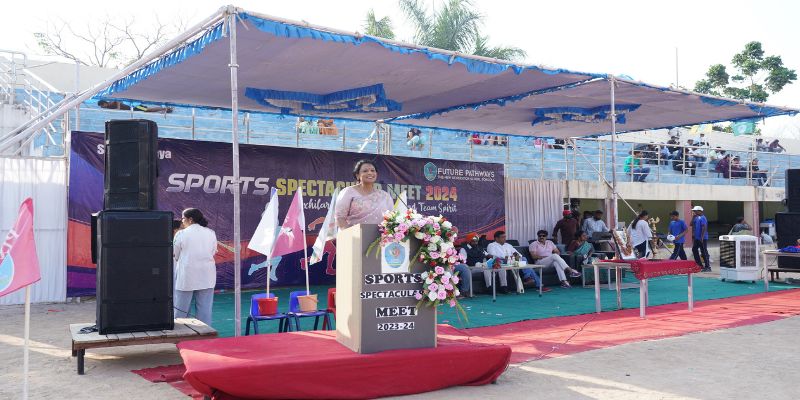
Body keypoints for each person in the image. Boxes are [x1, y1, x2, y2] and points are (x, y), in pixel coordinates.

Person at [173, 208, 218, 326]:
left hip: (187, 275)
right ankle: (205, 332)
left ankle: (180, 332)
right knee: (205, 310)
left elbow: (175, 254)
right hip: (207, 275)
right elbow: (213, 252)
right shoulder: (211, 232)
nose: (182, 221)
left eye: (183, 218)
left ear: (190, 219)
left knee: (181, 309)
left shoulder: (181, 234)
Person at [335, 160, 394, 229]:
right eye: (365, 171)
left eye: (372, 170)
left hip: (381, 234)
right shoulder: (348, 192)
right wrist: (349, 234)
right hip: (355, 234)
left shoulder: (385, 196)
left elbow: (391, 219)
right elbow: (340, 218)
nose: (370, 173)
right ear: (357, 175)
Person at [691, 206, 711, 272]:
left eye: (695, 211)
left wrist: (702, 237)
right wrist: (693, 217)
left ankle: (708, 267)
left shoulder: (703, 218)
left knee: (704, 251)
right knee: (694, 249)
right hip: (697, 238)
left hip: (702, 238)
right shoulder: (697, 217)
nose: (694, 212)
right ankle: (699, 265)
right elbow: (691, 224)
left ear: (700, 211)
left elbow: (704, 227)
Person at [98, 99, 173, 113]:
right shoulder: (109, 106)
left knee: (149, 110)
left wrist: (118, 109)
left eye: (102, 105)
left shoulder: (111, 103)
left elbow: (117, 101)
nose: (102, 107)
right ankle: (165, 109)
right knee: (149, 110)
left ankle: (166, 108)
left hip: (135, 106)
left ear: (104, 103)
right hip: (133, 108)